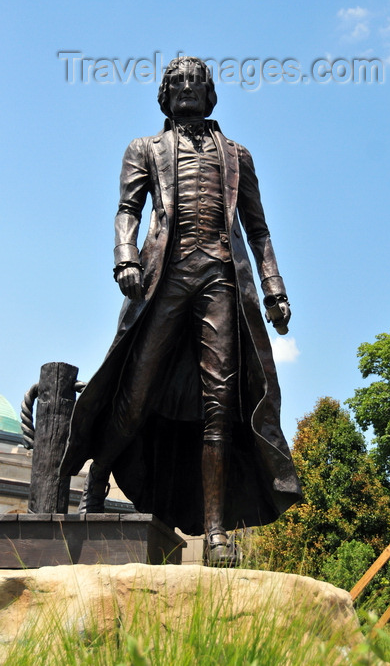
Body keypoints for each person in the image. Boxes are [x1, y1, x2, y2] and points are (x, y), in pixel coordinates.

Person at [61, 56, 302, 564]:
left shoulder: (237, 155)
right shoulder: (143, 148)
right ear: (165, 94)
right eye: (177, 82)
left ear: (210, 93)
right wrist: (125, 256)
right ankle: (98, 472)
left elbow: (258, 230)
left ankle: (214, 532)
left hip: (220, 277)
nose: (187, 88)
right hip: (163, 278)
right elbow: (128, 209)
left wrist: (274, 286)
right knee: (136, 390)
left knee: (220, 403)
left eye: (196, 81)